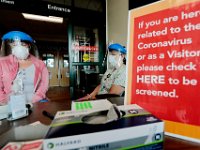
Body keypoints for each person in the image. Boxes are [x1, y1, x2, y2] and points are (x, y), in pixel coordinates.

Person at [0, 31, 49, 105]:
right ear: (10, 46)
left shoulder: (40, 64)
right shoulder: (2, 63)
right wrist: (5, 102)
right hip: (10, 105)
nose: (19, 48)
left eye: (23, 44)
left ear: (29, 46)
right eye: (14, 45)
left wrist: (34, 100)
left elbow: (44, 85)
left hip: (33, 104)